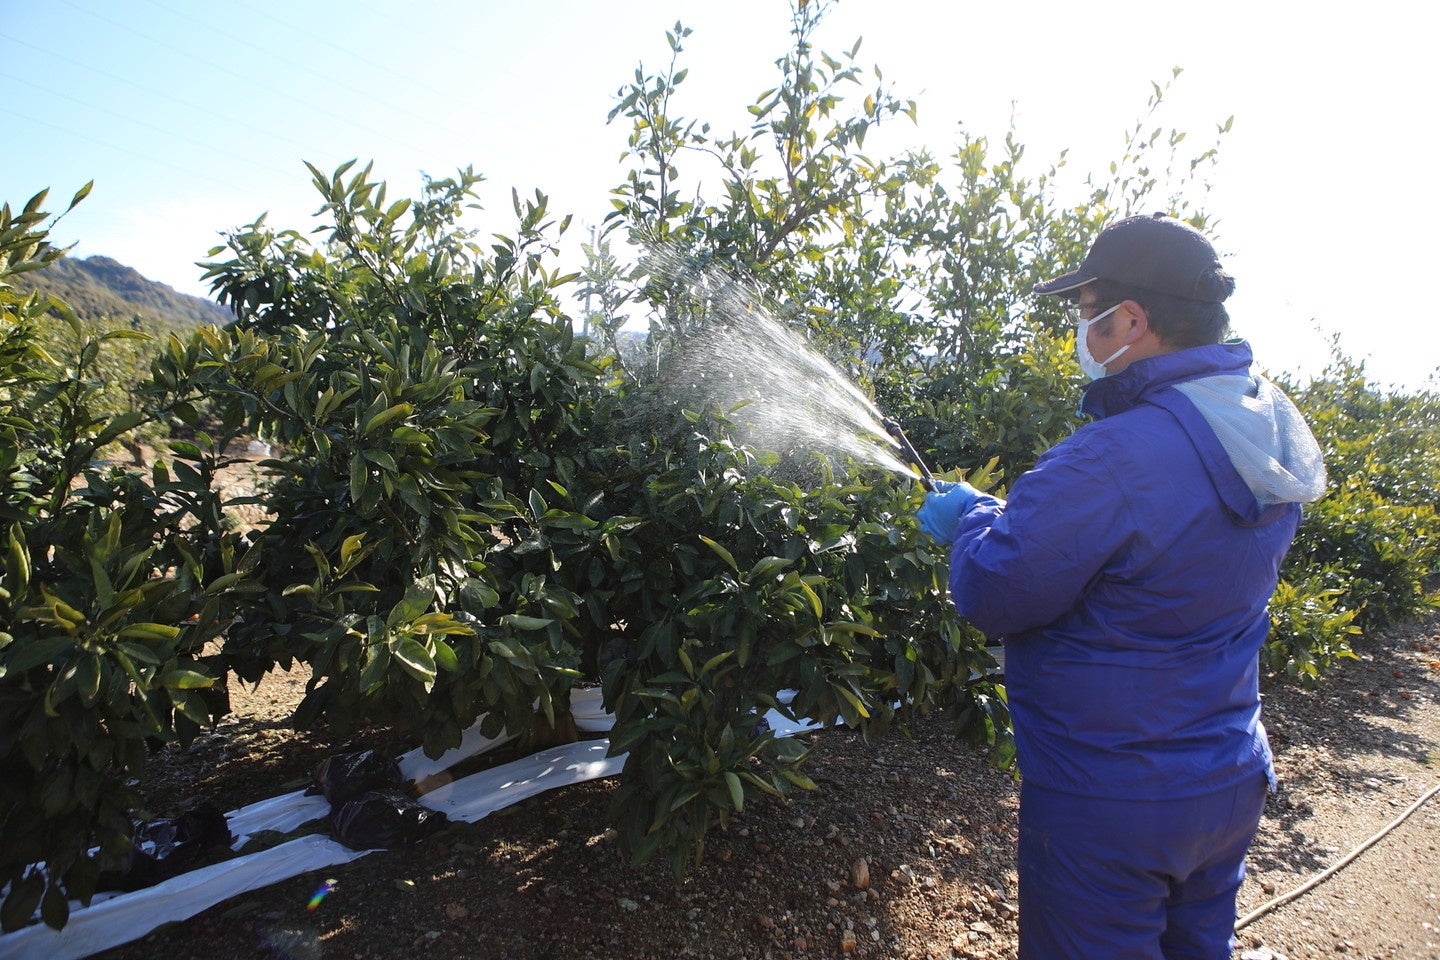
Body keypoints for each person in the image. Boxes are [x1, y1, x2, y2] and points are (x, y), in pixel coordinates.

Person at [917, 213, 1327, 959]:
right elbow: (1161, 555)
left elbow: (996, 593)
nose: (1081, 333)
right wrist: (1028, 523)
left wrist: (973, 521)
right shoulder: (1256, 431)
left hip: (1113, 796)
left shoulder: (1111, 455)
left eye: (1087, 313)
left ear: (1131, 320)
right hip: (1227, 773)